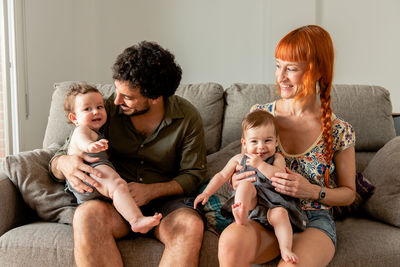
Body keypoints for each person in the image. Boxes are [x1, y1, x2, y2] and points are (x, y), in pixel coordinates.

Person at [50, 41, 207, 267]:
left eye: (127, 97)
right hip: (114, 204)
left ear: (154, 97)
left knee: (190, 225)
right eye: (117, 91)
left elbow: (194, 175)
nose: (116, 101)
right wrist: (64, 163)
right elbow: (62, 154)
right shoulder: (104, 111)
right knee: (86, 215)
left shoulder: (187, 118)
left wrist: (151, 191)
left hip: (166, 207)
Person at [218, 25, 356, 267]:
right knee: (231, 241)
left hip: (312, 219)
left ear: (318, 71)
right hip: (264, 213)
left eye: (291, 69)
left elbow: (348, 194)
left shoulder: (339, 130)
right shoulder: (260, 116)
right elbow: (245, 169)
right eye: (277, 65)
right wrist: (236, 181)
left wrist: (312, 191)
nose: (280, 77)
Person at [194, 110, 307, 263]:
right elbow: (221, 176)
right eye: (254, 142)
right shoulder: (238, 158)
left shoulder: (277, 158)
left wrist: (260, 165)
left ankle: (285, 248)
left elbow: (278, 175)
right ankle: (241, 213)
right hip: (252, 204)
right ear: (244, 143)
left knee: (280, 214)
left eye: (267, 140)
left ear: (276, 141)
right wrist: (207, 192)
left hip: (272, 204)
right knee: (246, 186)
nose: (261, 147)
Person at [63, 83, 162, 233]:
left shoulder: (97, 131)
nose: (96, 111)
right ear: (74, 118)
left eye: (100, 107)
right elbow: (82, 140)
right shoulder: (82, 130)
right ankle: (136, 220)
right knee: (118, 185)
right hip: (92, 172)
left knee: (117, 190)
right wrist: (90, 146)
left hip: (90, 184)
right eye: (87, 109)